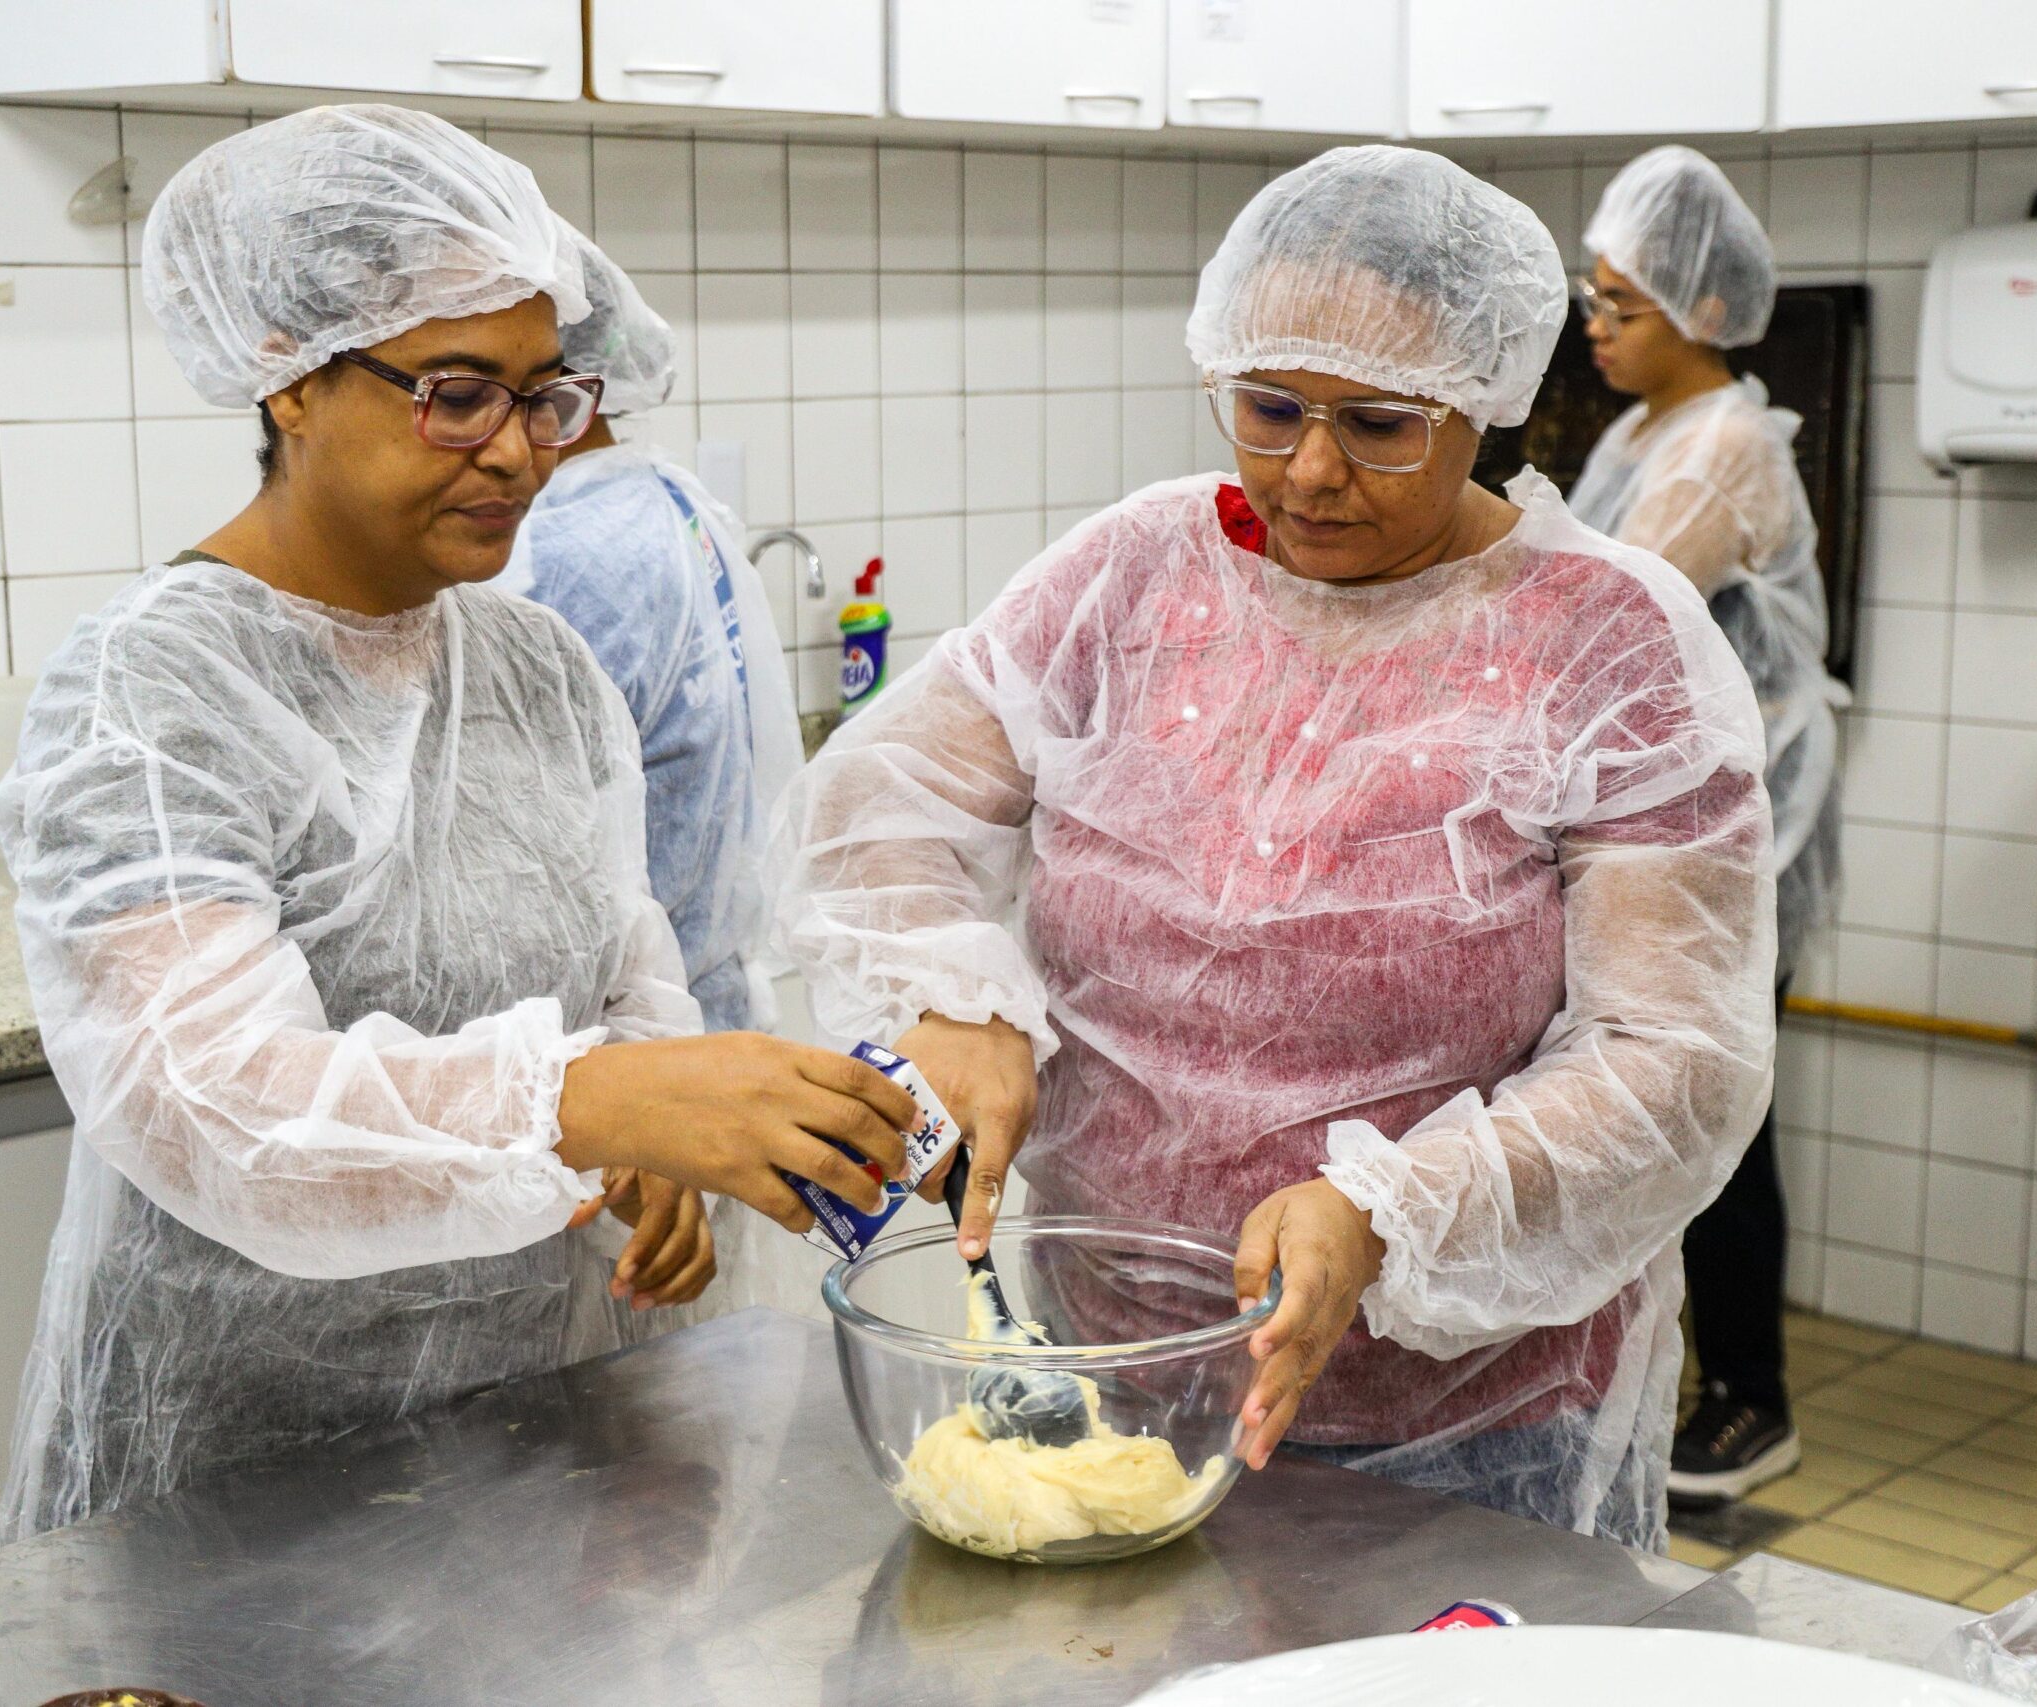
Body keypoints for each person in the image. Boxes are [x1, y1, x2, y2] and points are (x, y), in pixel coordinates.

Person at [776, 145, 1778, 1549]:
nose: (1311, 471)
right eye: (1268, 408)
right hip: (1109, 1371)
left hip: (1467, 1427)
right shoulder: (1132, 574)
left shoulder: (1606, 641)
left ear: (1483, 404)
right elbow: (881, 796)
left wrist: (1393, 1210)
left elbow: (1673, 1059)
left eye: (1379, 424)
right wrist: (953, 993)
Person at [0, 105, 917, 1539]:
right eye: (457, 393)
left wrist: (656, 1142)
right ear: (290, 380)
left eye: (545, 397)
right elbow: (213, 1105)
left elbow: (623, 974)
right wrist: (592, 1104)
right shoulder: (149, 687)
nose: (519, 454)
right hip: (232, 1486)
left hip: (533, 1457)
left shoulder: (538, 664)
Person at [1569, 144, 1845, 1508]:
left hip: (1735, 837)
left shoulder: (1725, 445)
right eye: (1592, 297)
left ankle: (1751, 1399)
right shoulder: (1638, 430)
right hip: (1660, 829)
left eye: (1620, 302)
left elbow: (1611, 615)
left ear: (1702, 309)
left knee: (1721, 1120)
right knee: (1664, 1108)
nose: (1596, 324)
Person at [506, 232, 823, 1323]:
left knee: (617, 1406)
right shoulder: (654, 499)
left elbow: (530, 865)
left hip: (626, 1105)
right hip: (689, 1052)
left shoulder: (560, 555)